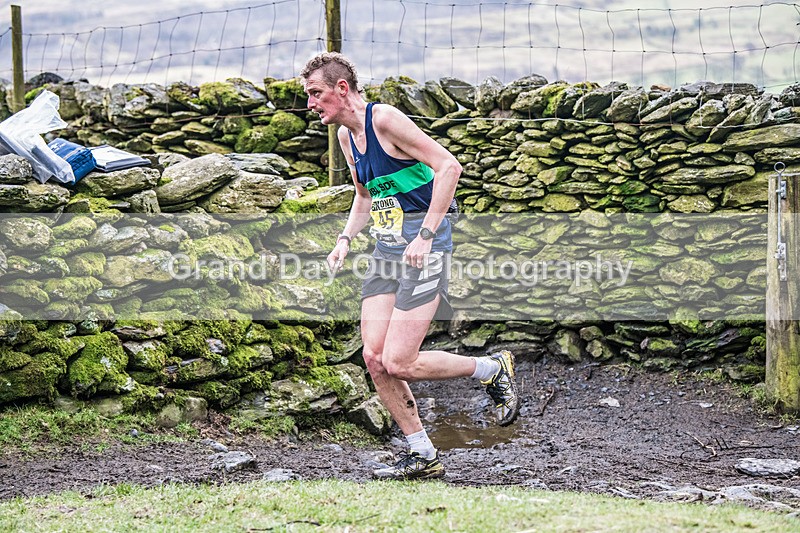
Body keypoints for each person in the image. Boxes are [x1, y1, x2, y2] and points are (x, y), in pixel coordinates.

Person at [300, 52, 520, 480]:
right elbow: (365, 197)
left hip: (426, 247)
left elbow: (448, 166)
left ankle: (492, 369)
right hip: (386, 250)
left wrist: (425, 235)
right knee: (375, 358)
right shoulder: (346, 138)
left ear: (341, 89)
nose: (310, 104)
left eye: (315, 93)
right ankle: (422, 452)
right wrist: (345, 240)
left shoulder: (384, 120)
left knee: (400, 361)